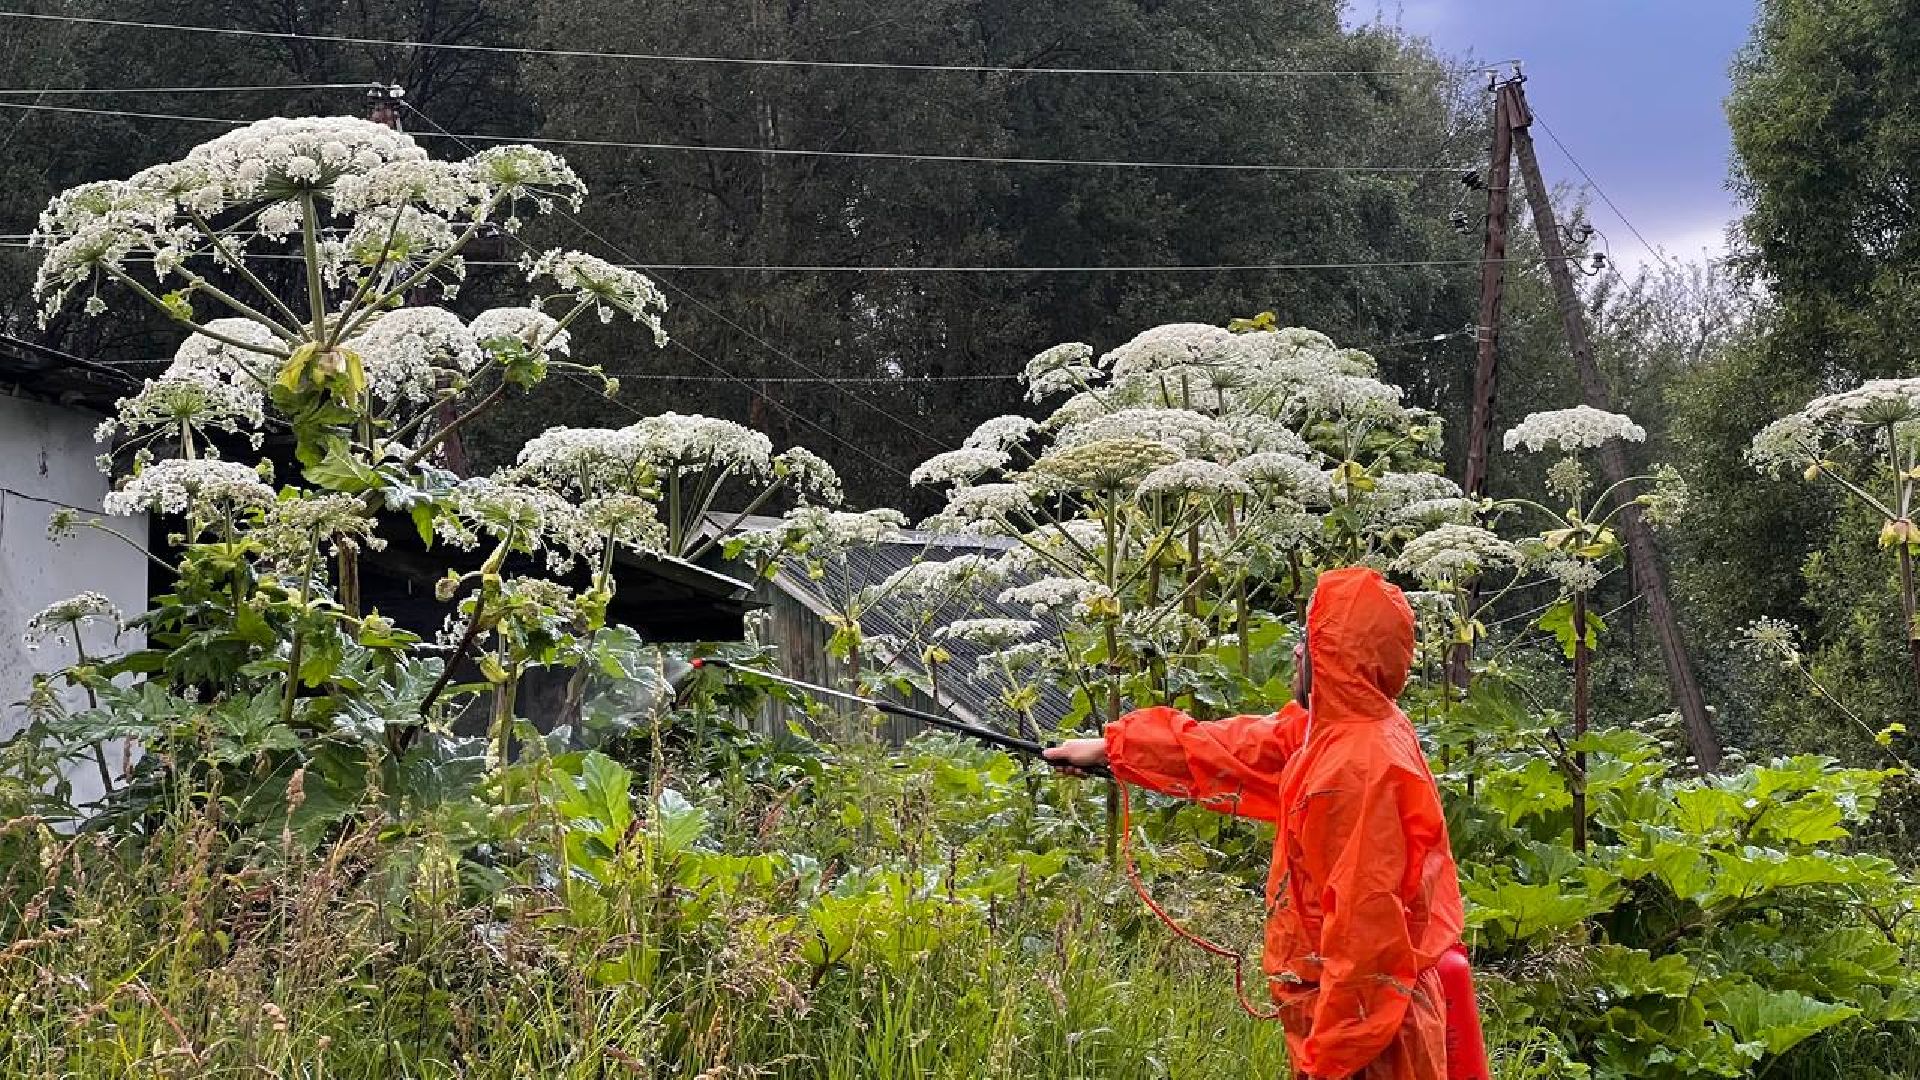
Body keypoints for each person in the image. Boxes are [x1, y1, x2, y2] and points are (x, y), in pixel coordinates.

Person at [1043, 566, 1467, 1080]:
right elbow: (1237, 749)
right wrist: (1114, 750)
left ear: (1337, 658)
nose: (1295, 653)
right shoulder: (1337, 732)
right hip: (1352, 1026)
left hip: (1370, 1044)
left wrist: (1328, 1064)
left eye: (1308, 641)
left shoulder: (1359, 771)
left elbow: (1366, 945)